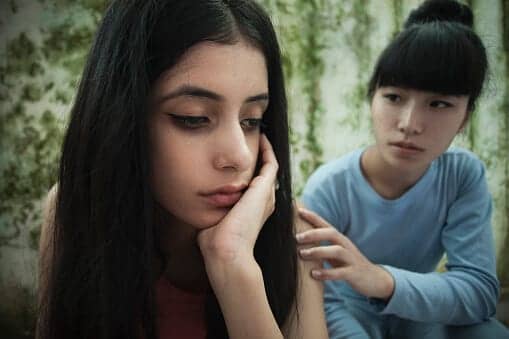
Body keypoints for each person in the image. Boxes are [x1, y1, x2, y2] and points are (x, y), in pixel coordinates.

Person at [36, 1, 328, 338]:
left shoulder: (296, 233)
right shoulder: (74, 209)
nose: (239, 156)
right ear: (122, 120)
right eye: (193, 118)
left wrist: (233, 265)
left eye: (252, 120)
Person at [297, 0, 509, 338]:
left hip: (421, 314)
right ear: (372, 99)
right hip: (348, 320)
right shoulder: (329, 186)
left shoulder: (462, 176)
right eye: (394, 97)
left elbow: (479, 292)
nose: (410, 124)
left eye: (439, 104)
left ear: (465, 118)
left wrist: (379, 279)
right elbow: (323, 301)